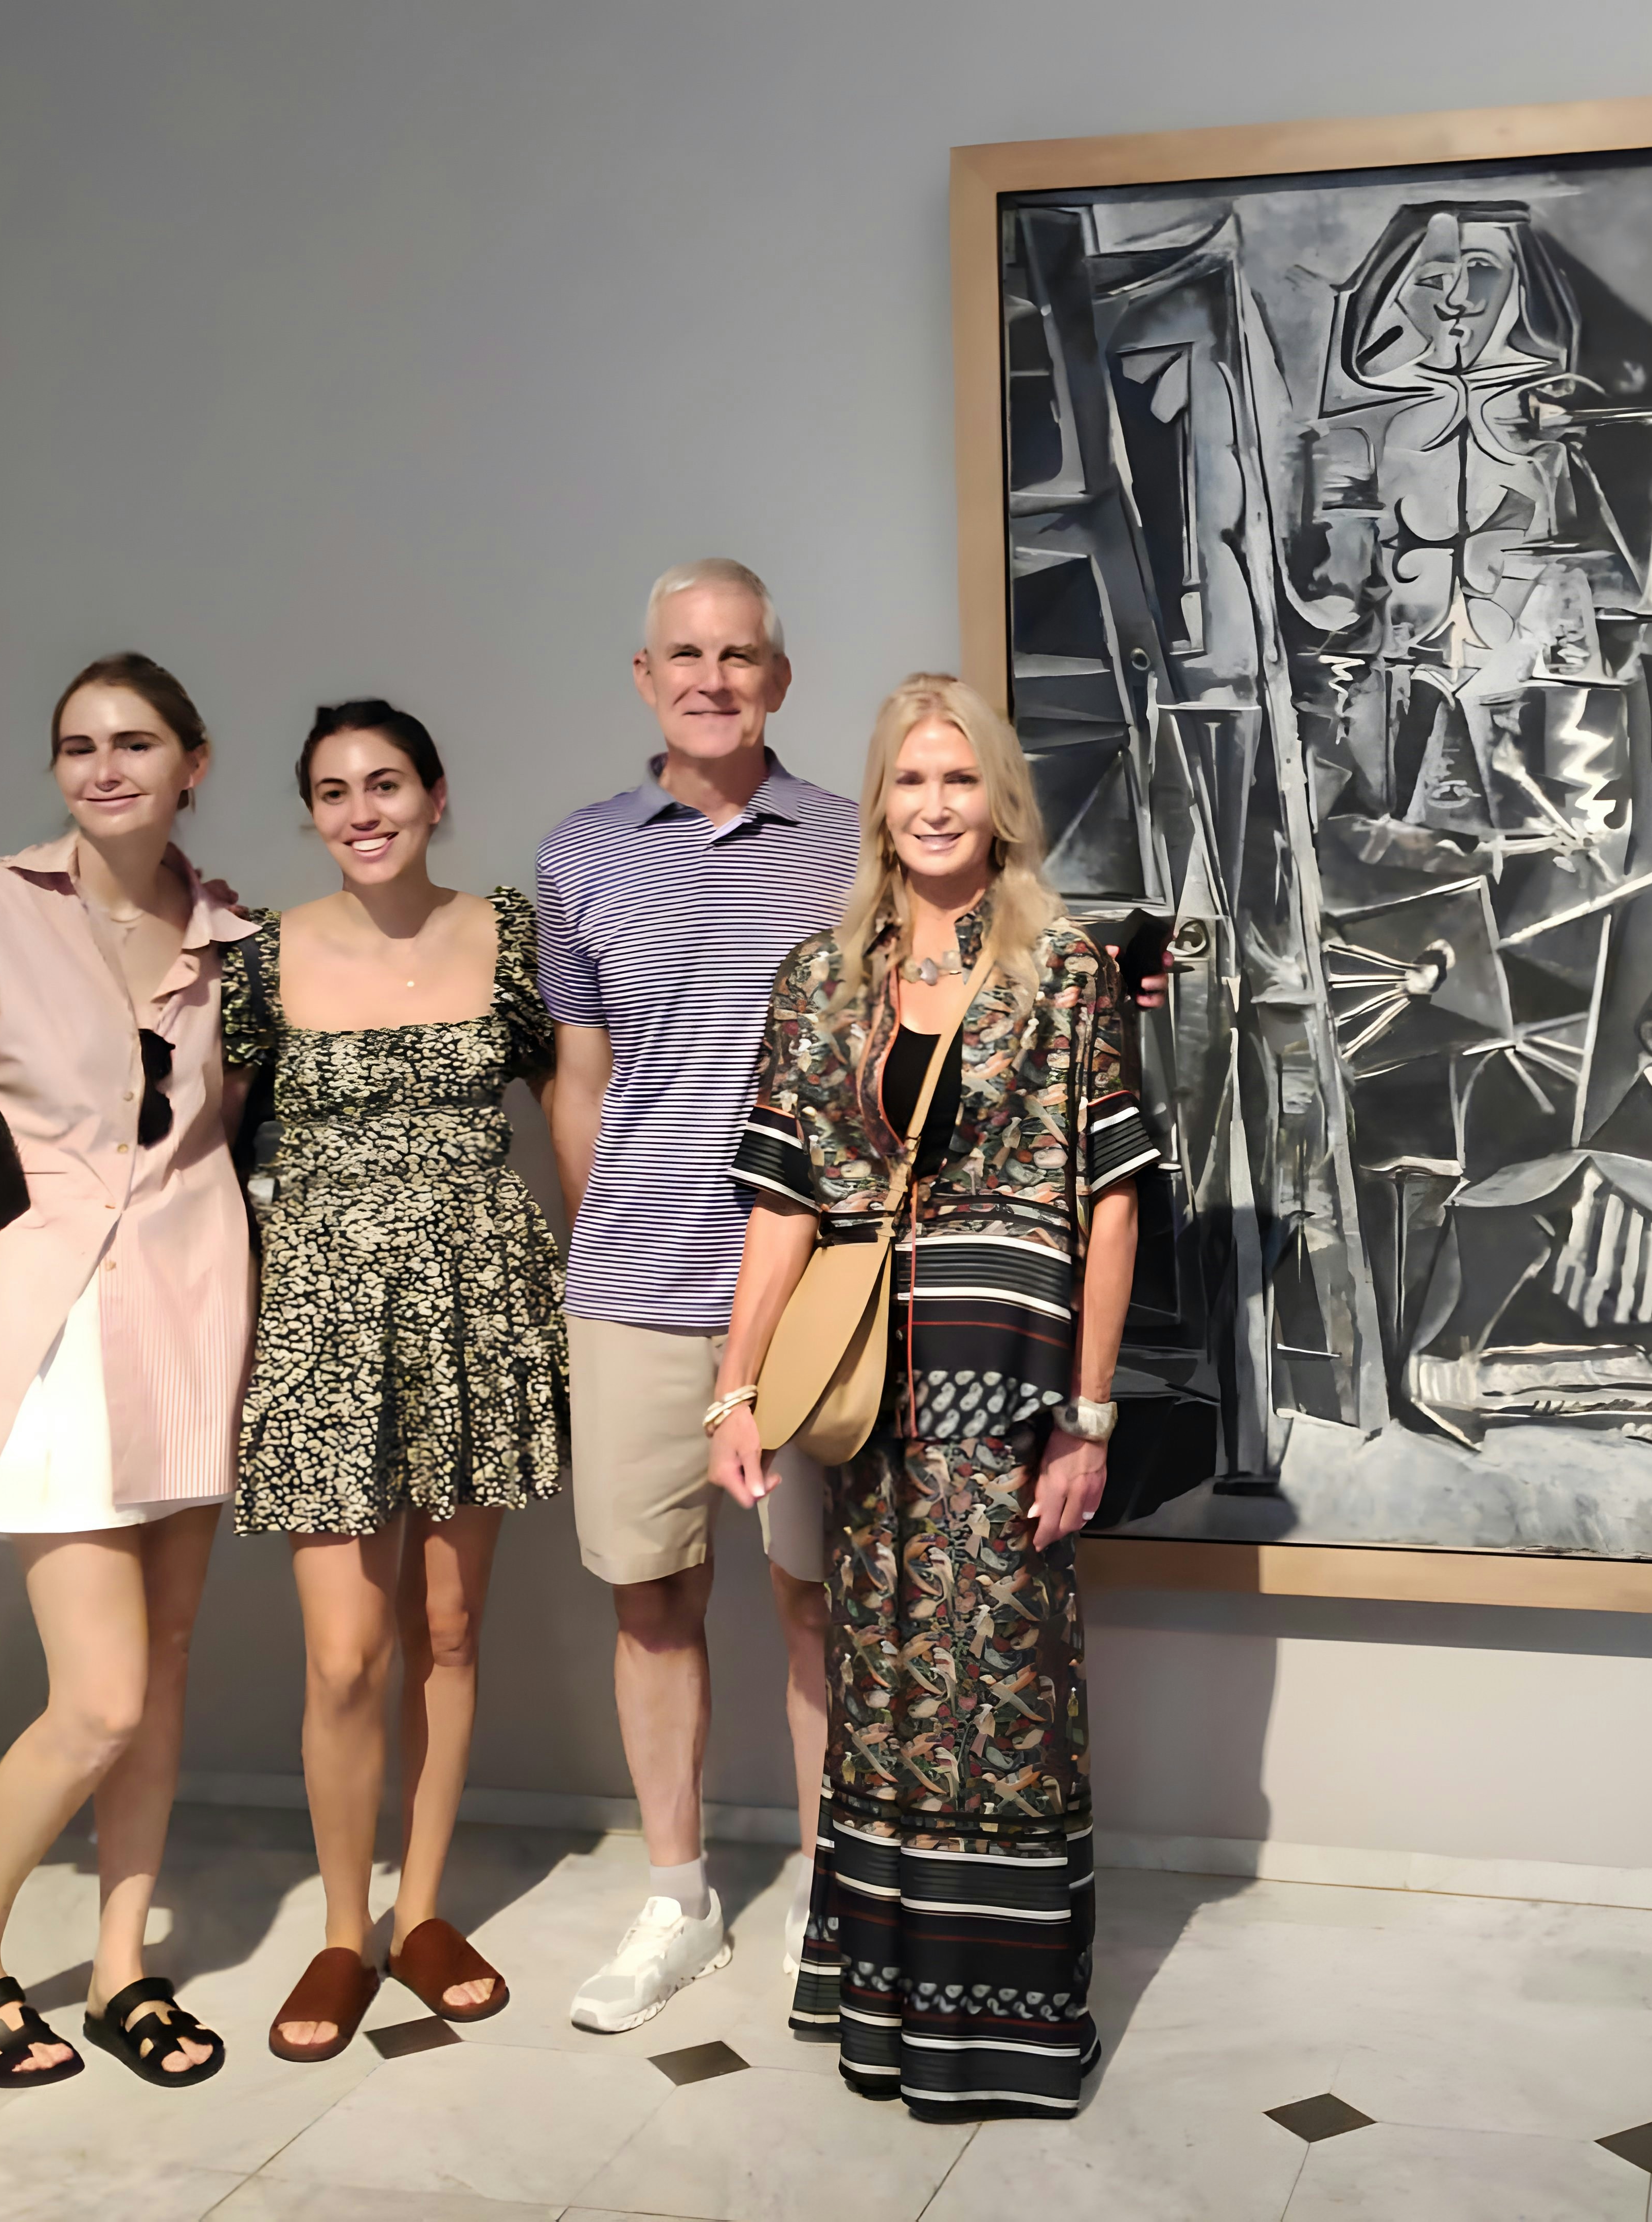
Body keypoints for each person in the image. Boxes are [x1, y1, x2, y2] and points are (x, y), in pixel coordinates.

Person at [717, 672, 1160, 2121]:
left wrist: (1089, 1416)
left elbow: (1108, 1206)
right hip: (863, 1389)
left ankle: (1007, 2031)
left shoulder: (1066, 970)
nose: (933, 806)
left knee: (1003, 1685)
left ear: (1000, 802)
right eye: (910, 781)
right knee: (888, 1682)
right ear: (880, 803)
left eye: (959, 780)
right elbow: (782, 1206)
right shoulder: (822, 976)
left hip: (1009, 1377)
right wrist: (736, 1390)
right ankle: (888, 2008)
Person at [0, 653, 254, 2092]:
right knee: (100, 1700)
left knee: (164, 1673)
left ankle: (124, 1962)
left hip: (201, 1326)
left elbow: (229, 1143)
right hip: (48, 1333)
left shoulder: (237, 935)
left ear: (191, 761)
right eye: (78, 745)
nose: (104, 767)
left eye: (135, 742)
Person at [536, 560, 859, 2031]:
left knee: (816, 1602)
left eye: (741, 655)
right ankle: (677, 1901)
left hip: (813, 1299)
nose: (713, 677)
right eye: (686, 653)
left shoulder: (854, 851)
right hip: (637, 1291)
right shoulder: (580, 858)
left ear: (779, 680)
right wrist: (603, 1240)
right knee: (653, 1601)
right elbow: (582, 1084)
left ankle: (835, 1899)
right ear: (643, 675)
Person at [226, 702, 567, 2061]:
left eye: (385, 784)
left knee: (450, 1631)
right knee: (341, 1653)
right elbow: (201, 1145)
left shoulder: (518, 936)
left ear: (435, 794)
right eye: (332, 791)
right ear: (312, 812)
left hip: (481, 1305)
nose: (361, 810)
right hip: (319, 1315)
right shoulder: (261, 954)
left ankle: (424, 1913)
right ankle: (339, 1930)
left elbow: (584, 1098)